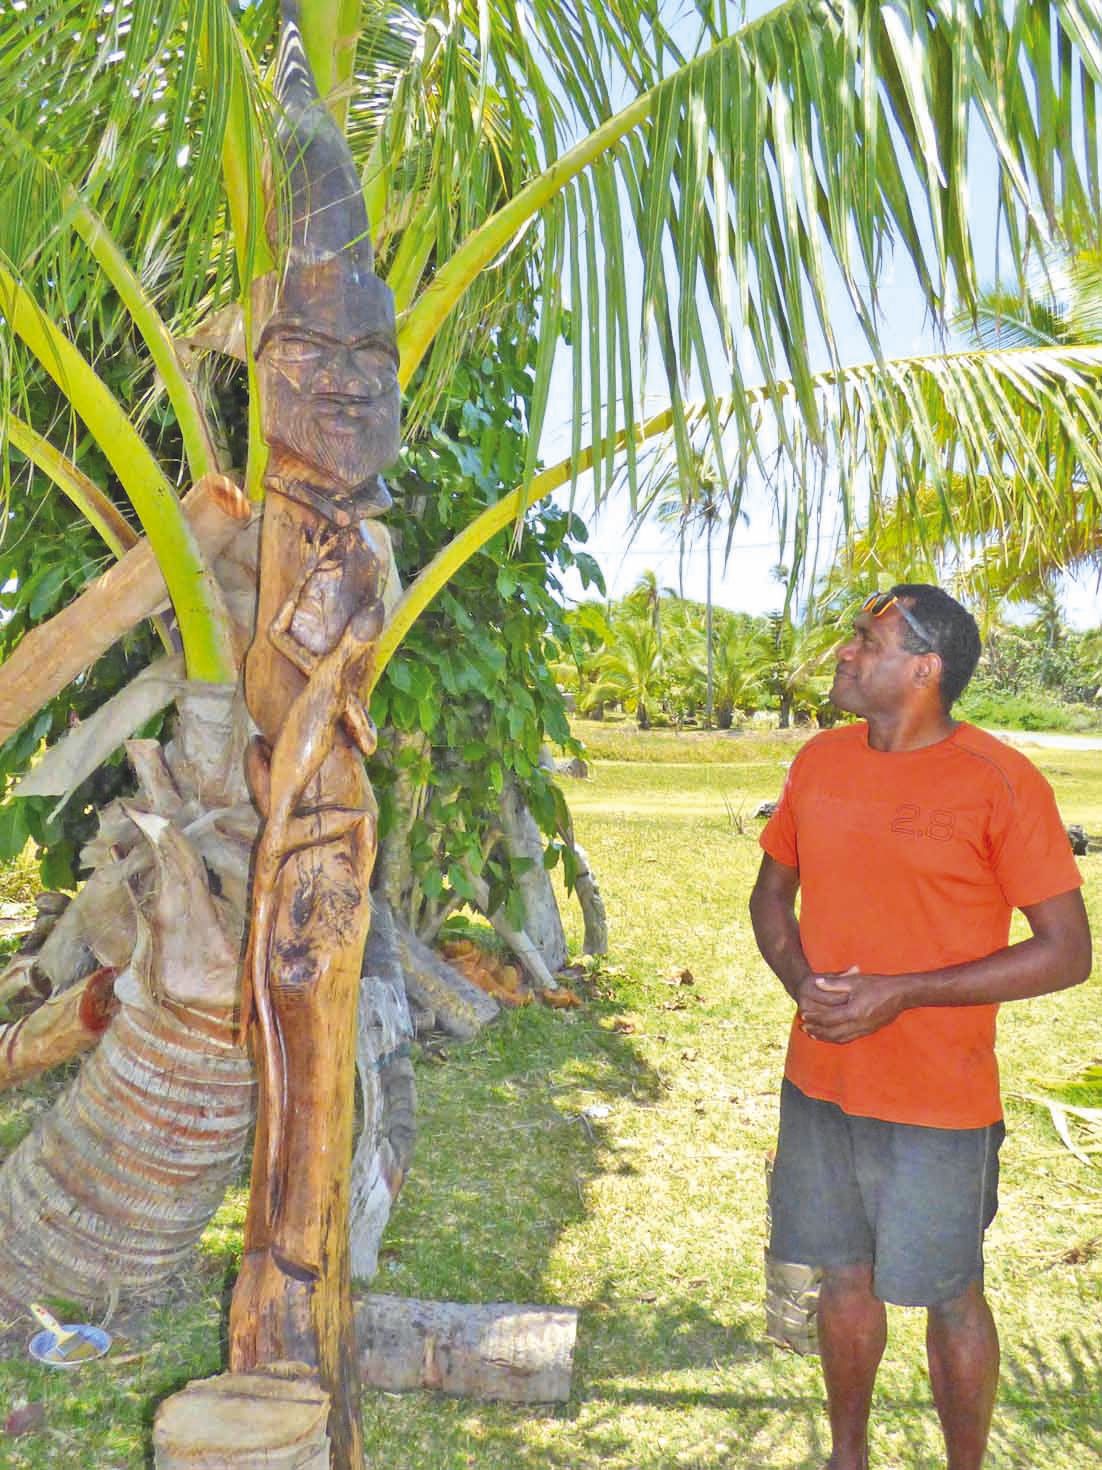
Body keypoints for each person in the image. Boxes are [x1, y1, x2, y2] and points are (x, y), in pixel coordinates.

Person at [749, 584, 1092, 1470]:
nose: (845, 652)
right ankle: (848, 1455)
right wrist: (801, 983)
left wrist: (901, 994)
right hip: (820, 1079)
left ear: (924, 670)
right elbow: (771, 893)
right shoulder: (820, 762)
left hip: (941, 1101)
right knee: (843, 1279)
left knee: (951, 1294)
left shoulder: (1000, 780)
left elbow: (1065, 952)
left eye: (867, 639)